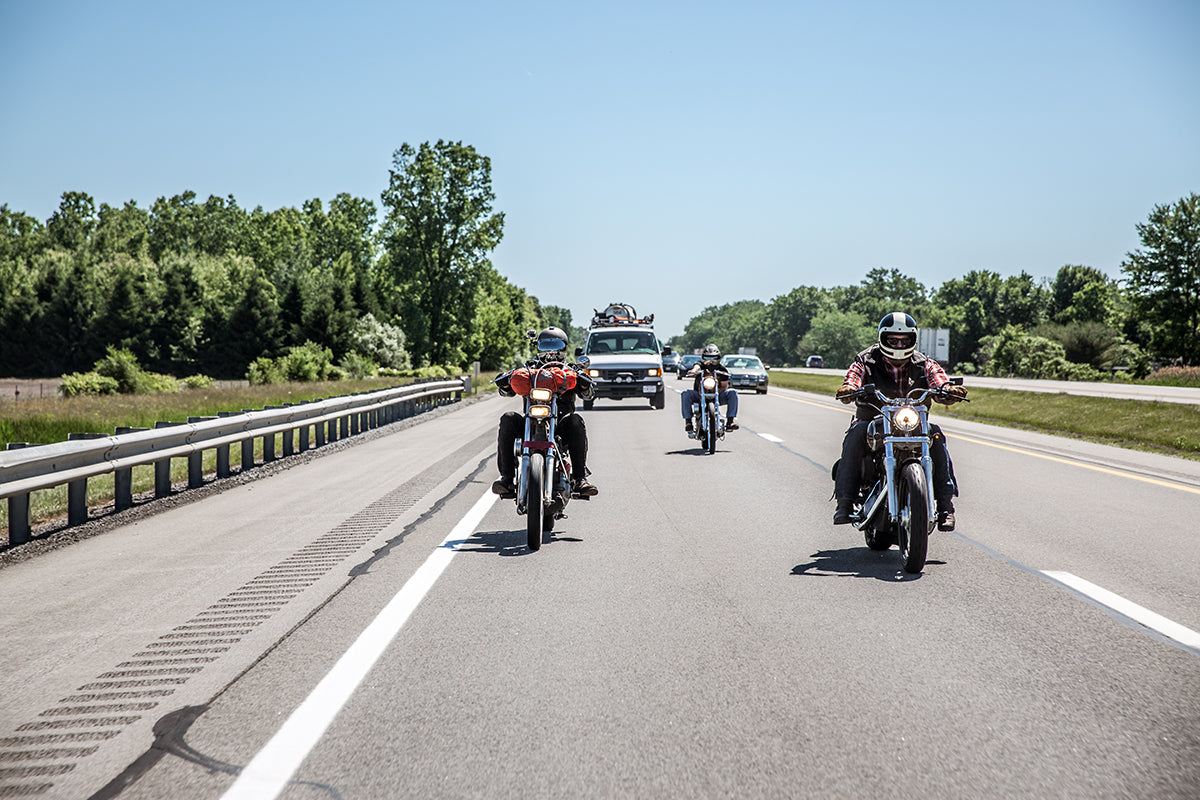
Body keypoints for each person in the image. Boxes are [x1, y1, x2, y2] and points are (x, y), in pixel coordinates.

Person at [832, 312, 967, 530]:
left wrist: (948, 390)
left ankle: (945, 507)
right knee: (856, 433)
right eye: (893, 340)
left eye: (904, 340)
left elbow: (938, 380)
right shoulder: (866, 359)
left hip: (912, 424)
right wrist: (849, 389)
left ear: (913, 339)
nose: (898, 343)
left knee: (936, 435)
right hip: (873, 420)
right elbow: (853, 378)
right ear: (882, 338)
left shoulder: (924, 363)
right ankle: (845, 501)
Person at [492, 326, 598, 498]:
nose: (551, 352)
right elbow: (508, 391)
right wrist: (504, 384)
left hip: (560, 428)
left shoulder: (570, 371)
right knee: (508, 418)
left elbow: (588, 395)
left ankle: (580, 479)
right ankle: (506, 478)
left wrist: (584, 384)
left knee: (575, 420)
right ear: (538, 347)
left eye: (556, 346)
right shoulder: (529, 369)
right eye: (545, 346)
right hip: (531, 422)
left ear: (564, 348)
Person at [681, 343, 739, 433]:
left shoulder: (722, 370)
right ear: (704, 358)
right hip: (699, 395)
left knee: (733, 392)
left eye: (714, 358)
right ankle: (688, 422)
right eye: (708, 358)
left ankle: (730, 421)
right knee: (685, 394)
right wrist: (693, 371)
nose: (711, 361)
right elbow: (697, 366)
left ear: (718, 358)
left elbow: (725, 386)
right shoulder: (701, 365)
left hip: (717, 395)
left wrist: (719, 391)